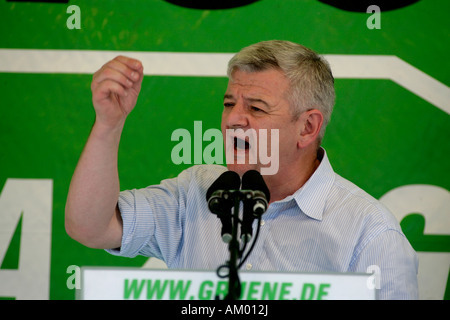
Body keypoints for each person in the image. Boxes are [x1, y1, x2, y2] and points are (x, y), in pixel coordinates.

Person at [65, 40, 418, 299]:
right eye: (229, 103)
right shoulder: (197, 191)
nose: (233, 120)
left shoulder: (370, 234)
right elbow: (90, 227)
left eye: (257, 108)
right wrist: (109, 124)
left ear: (308, 128)